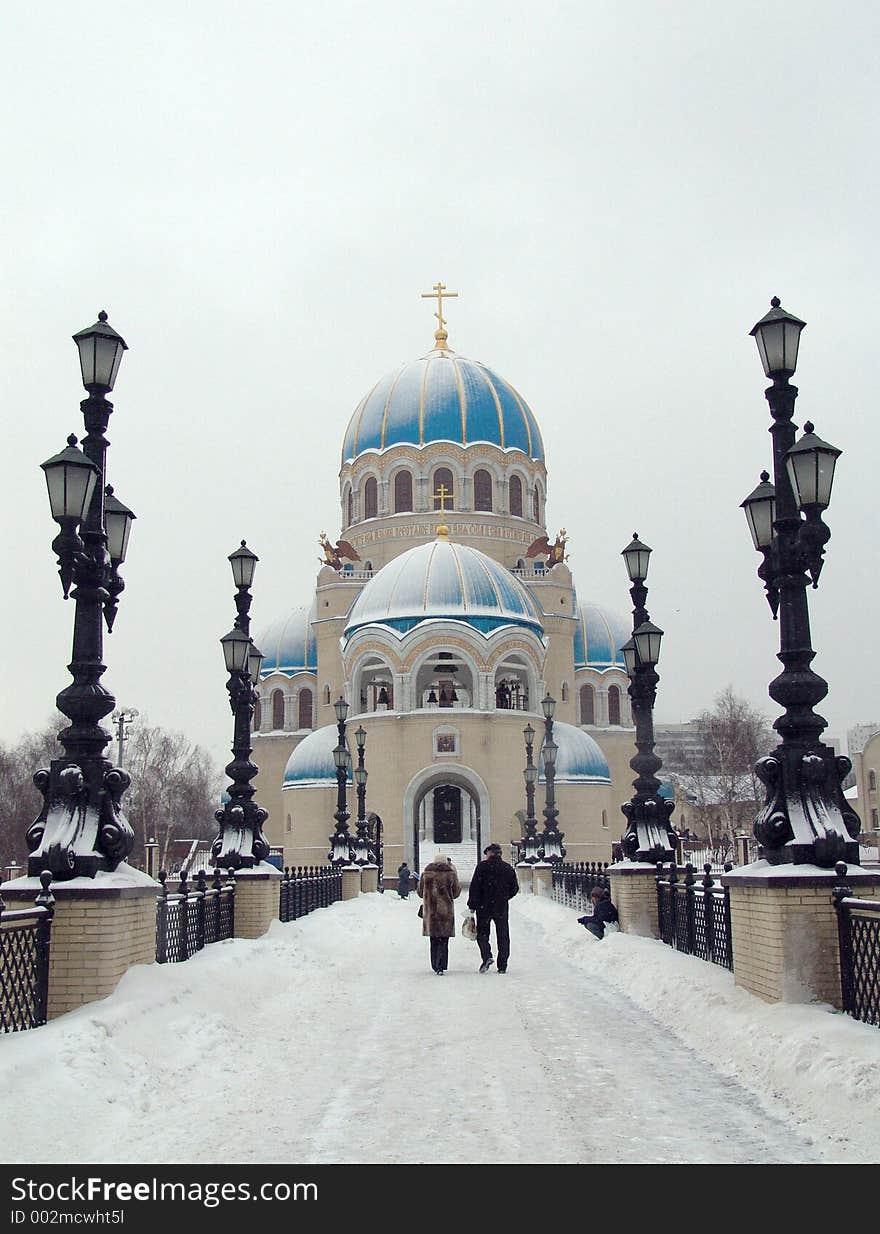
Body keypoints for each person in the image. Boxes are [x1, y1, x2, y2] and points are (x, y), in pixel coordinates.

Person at [468, 843, 519, 973]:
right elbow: (514, 888)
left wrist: (472, 904)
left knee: (483, 934)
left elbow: (475, 887)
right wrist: (504, 896)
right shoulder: (507, 868)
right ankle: (502, 965)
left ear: (489, 854)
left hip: (483, 906)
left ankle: (487, 956)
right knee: (503, 935)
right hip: (500, 906)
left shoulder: (482, 867)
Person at [417, 855, 461, 974]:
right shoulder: (450, 874)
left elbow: (420, 892)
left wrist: (428, 892)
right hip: (445, 911)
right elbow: (456, 892)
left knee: (434, 939)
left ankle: (435, 964)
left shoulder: (426, 874)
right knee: (444, 939)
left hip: (431, 911)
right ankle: (442, 964)